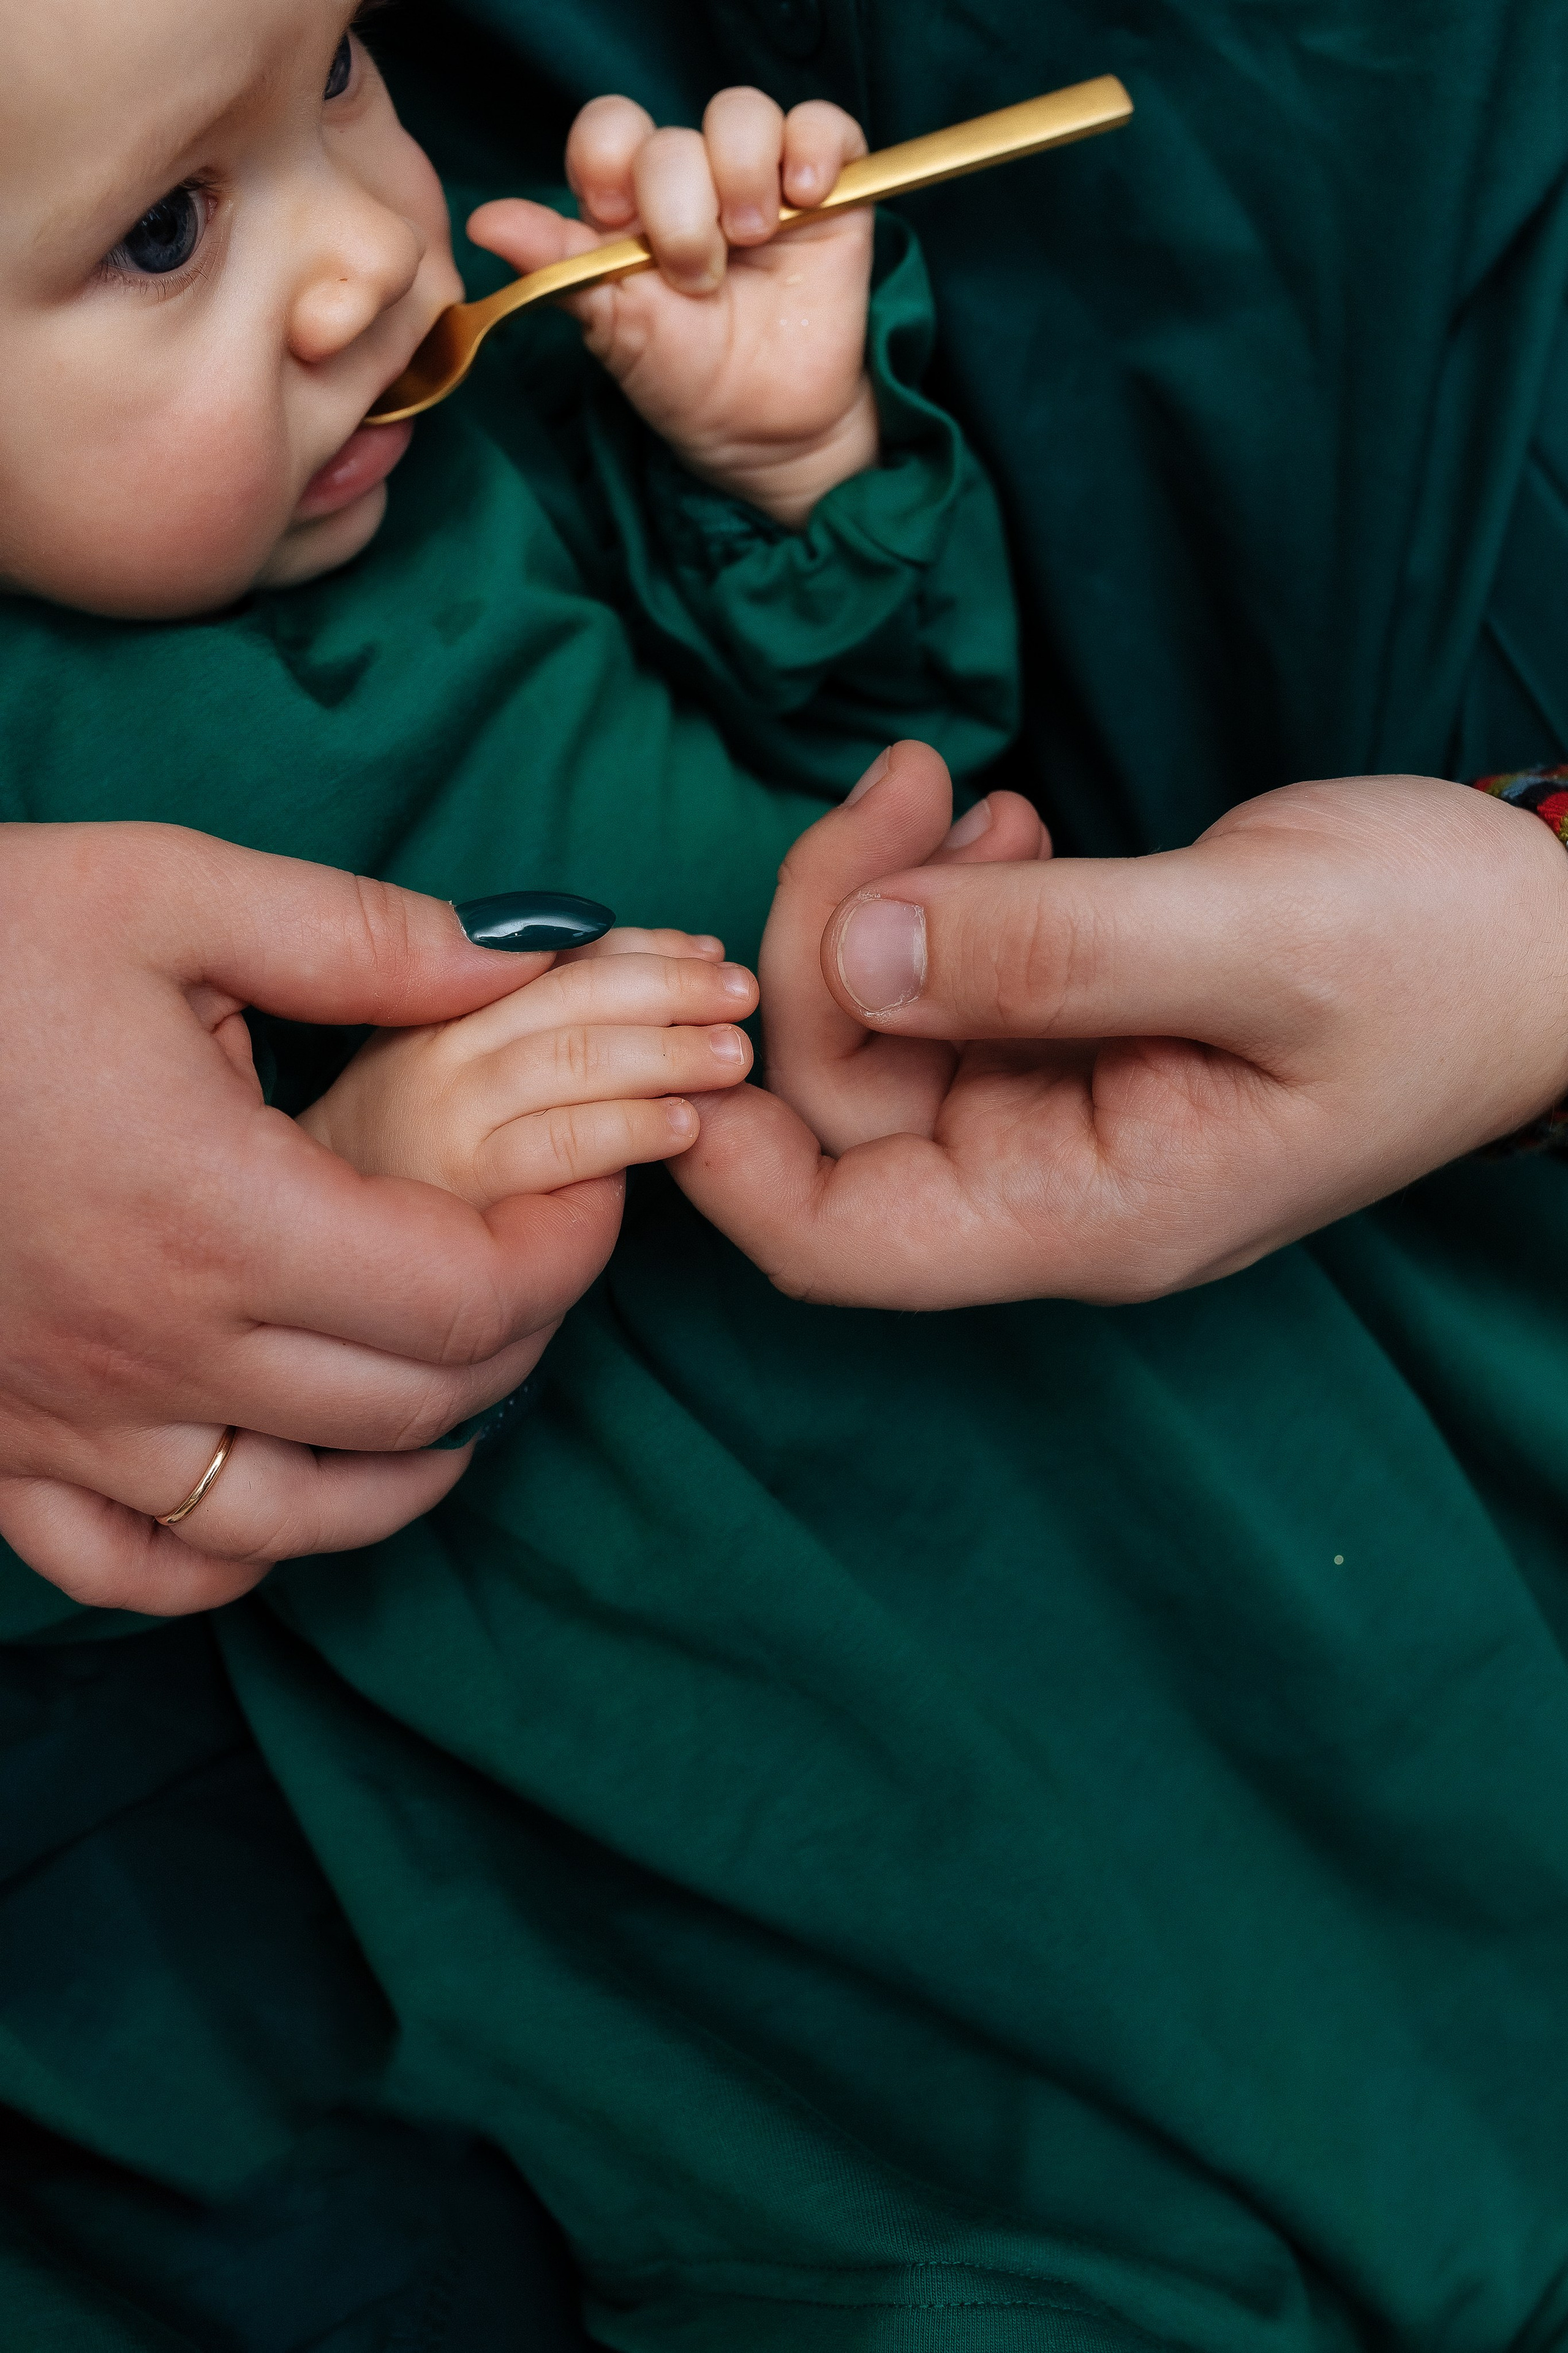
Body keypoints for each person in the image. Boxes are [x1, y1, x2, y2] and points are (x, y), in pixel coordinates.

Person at [5, 11, 1568, 2353]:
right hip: (732, 1662)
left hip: (1123, 1348)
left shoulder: (434, 455)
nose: (365, 258)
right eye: (161, 232)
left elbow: (874, 748)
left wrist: (796, 464)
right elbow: (124, 1413)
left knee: (1431, 1757)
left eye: (333, 71)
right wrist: (361, 1177)